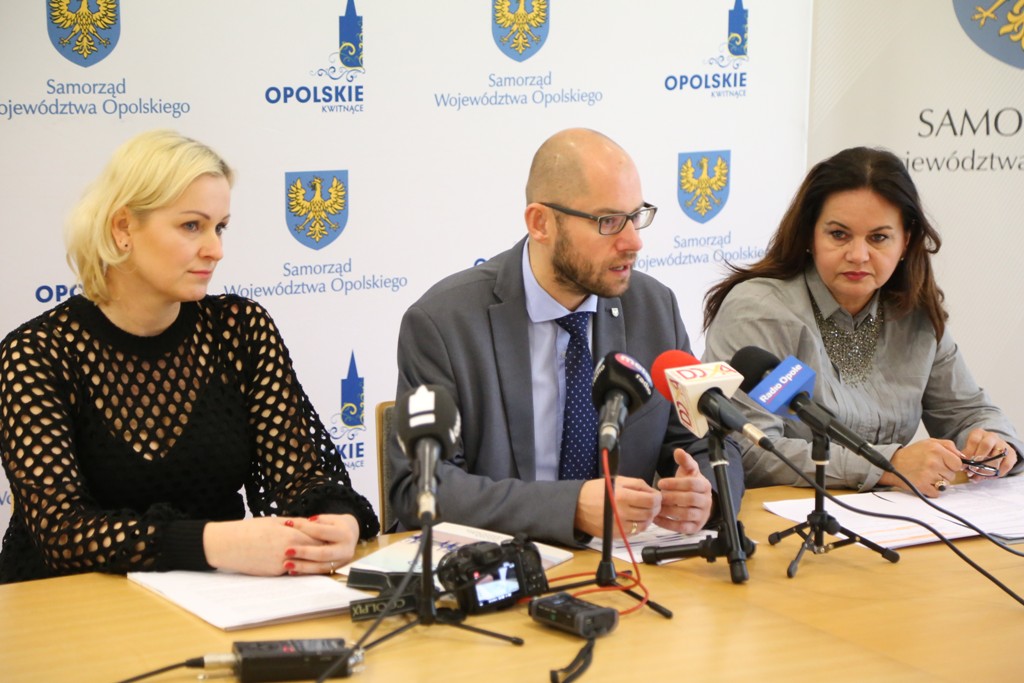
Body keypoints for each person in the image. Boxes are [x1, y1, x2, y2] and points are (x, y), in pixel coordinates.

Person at [0, 130, 379, 584]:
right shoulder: (36, 354)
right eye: (192, 226)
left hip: (216, 598)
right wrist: (217, 544)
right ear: (123, 229)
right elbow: (62, 533)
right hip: (68, 602)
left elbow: (302, 474)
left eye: (220, 227)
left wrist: (338, 520)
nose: (216, 250)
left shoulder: (240, 329)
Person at [387, 128, 744, 546]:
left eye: (636, 216)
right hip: (498, 563)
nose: (634, 242)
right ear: (541, 223)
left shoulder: (653, 307)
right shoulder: (444, 322)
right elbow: (421, 485)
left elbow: (706, 439)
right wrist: (568, 507)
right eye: (609, 222)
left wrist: (705, 494)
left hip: (625, 566)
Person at [702, 146, 1022, 496]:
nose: (858, 255)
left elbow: (967, 413)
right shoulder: (759, 311)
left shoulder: (915, 313)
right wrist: (888, 465)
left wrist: (996, 444)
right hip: (786, 515)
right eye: (839, 235)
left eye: (878, 238)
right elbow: (748, 449)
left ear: (905, 242)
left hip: (892, 516)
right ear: (810, 235)